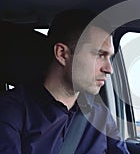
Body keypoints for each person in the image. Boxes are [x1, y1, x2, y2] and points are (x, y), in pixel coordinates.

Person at [0, 9, 130, 154]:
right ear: (62, 54)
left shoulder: (100, 115)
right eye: (99, 54)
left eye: (109, 57)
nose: (109, 69)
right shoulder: (11, 111)